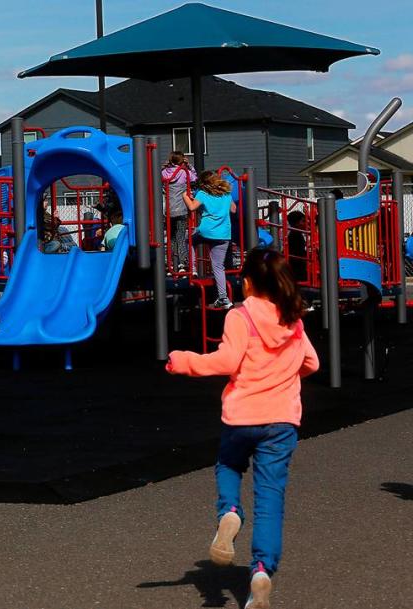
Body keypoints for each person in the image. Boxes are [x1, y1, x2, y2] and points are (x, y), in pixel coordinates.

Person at [166, 248, 319, 609]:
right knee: (270, 498)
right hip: (282, 420)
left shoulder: (240, 315)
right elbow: (312, 362)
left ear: (247, 282)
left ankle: (230, 512)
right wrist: (285, 373)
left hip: (242, 416)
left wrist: (184, 361)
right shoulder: (293, 319)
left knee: (229, 464)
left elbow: (227, 360)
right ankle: (261, 572)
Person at [184, 171, 236, 309]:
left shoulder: (203, 194)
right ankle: (224, 298)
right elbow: (233, 210)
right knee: (219, 267)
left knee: (188, 240)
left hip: (207, 231)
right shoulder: (226, 194)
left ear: (204, 184)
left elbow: (192, 207)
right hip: (224, 234)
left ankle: (193, 268)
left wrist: (184, 195)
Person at [161, 152, 196, 273]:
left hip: (169, 210)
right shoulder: (184, 172)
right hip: (181, 209)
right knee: (181, 236)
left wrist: (163, 167)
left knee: (171, 238)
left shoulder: (165, 173)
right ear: (182, 161)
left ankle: (171, 264)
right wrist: (189, 166)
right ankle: (182, 263)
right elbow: (194, 178)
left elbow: (157, 177)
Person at [286, 210, 307, 282]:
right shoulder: (296, 236)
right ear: (296, 223)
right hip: (297, 268)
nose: (305, 223)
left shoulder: (295, 234)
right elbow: (298, 253)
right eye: (303, 221)